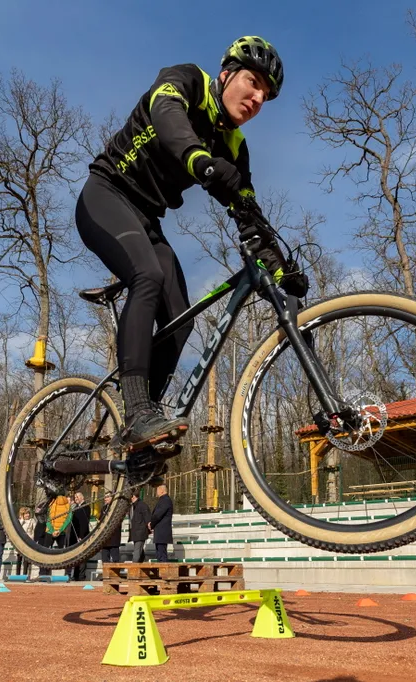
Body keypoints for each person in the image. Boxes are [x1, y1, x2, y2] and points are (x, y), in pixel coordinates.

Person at [75, 36, 305, 453]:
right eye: (252, 83)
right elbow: (166, 117)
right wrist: (200, 161)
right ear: (226, 74)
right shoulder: (186, 81)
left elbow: (248, 214)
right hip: (105, 196)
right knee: (147, 275)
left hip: (147, 220)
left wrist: (280, 269)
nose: (256, 99)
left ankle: (148, 423)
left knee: (182, 320)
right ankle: (137, 413)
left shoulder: (234, 146)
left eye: (265, 96)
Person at [69, 491, 91, 582]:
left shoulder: (86, 506)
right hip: (74, 535)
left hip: (81, 535)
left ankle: (81, 576)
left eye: (77, 497)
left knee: (82, 557)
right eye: (75, 497)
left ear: (82, 498)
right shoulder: (76, 507)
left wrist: (81, 536)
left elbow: (84, 522)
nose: (76, 498)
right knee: (76, 557)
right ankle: (75, 575)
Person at [149, 482, 173, 562]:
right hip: (160, 533)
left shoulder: (165, 500)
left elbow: (157, 515)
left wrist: (151, 524)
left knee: (162, 556)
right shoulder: (163, 500)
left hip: (162, 533)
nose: (156, 492)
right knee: (160, 554)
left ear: (162, 491)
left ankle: (164, 573)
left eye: (157, 490)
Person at [99, 493, 122, 567]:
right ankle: (106, 576)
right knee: (105, 559)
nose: (105, 499)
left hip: (113, 537)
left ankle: (116, 575)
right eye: (105, 497)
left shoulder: (117, 507)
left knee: (115, 559)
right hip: (105, 538)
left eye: (107, 497)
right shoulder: (104, 508)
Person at [128, 491, 151, 563]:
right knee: (140, 551)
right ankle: (142, 565)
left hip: (140, 532)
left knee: (137, 551)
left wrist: (149, 528)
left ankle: (133, 569)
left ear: (133, 496)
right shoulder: (132, 506)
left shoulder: (142, 505)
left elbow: (148, 518)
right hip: (135, 532)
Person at [15, 507, 36, 576]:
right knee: (19, 558)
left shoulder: (32, 520)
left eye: (28, 513)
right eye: (26, 514)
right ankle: (17, 575)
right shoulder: (19, 521)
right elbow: (17, 529)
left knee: (26, 559)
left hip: (29, 541)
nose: (27, 515)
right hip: (20, 542)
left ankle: (25, 574)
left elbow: (34, 531)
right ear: (22, 514)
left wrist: (32, 539)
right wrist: (21, 520)